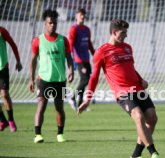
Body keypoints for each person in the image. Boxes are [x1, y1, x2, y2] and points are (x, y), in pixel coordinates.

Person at [78, 19, 161, 158]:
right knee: (138, 116)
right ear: (114, 32)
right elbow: (94, 77)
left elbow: (130, 68)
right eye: (123, 32)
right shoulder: (101, 51)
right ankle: (153, 152)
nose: (126, 35)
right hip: (122, 91)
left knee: (152, 118)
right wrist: (88, 99)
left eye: (126, 32)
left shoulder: (128, 48)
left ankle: (136, 156)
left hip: (138, 88)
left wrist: (141, 79)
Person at [28, 9, 74, 143]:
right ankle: (38, 134)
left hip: (60, 80)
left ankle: (60, 134)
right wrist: (31, 79)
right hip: (43, 79)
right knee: (41, 106)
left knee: (59, 108)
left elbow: (69, 57)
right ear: (45, 24)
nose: (53, 25)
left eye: (54, 23)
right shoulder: (38, 40)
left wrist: (71, 70)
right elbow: (33, 60)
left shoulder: (63, 40)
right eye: (50, 23)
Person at [68, 8, 95, 111]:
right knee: (85, 79)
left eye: (83, 15)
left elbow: (89, 44)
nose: (82, 16)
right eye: (80, 15)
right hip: (78, 59)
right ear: (76, 16)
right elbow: (70, 44)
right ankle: (72, 98)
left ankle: (79, 104)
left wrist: (94, 54)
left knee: (86, 80)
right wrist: (71, 59)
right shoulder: (73, 29)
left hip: (86, 59)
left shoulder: (87, 29)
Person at [0, 26, 23, 132]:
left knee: (4, 94)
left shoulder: (2, 30)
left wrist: (18, 60)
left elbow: (13, 45)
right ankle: (2, 121)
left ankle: (11, 120)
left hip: (2, 67)